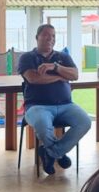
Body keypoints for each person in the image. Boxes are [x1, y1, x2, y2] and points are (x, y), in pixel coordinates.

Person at [16, 24, 91, 175]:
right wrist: (60, 77)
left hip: (66, 105)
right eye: (46, 35)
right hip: (37, 106)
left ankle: (51, 153)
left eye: (53, 36)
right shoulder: (27, 57)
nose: (50, 39)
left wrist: (55, 67)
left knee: (85, 122)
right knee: (43, 125)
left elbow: (74, 75)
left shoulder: (62, 57)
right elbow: (34, 79)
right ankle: (60, 154)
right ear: (37, 37)